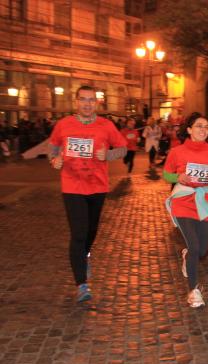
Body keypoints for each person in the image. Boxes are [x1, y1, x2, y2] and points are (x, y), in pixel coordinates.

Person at [48, 85, 128, 302]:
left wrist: (108, 154)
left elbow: (123, 148)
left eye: (91, 100)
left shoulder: (106, 125)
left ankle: (85, 254)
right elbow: (53, 146)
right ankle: (81, 284)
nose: (87, 103)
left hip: (98, 186)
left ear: (97, 103)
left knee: (91, 231)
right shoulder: (64, 125)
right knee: (79, 233)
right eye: (83, 99)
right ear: (76, 102)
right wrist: (54, 159)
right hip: (72, 186)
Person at [163, 112, 208, 308]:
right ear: (189, 129)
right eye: (199, 126)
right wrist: (178, 178)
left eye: (206, 127)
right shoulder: (177, 152)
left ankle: (187, 255)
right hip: (183, 201)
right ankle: (193, 291)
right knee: (194, 245)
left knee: (201, 249)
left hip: (204, 203)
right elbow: (166, 174)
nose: (203, 130)